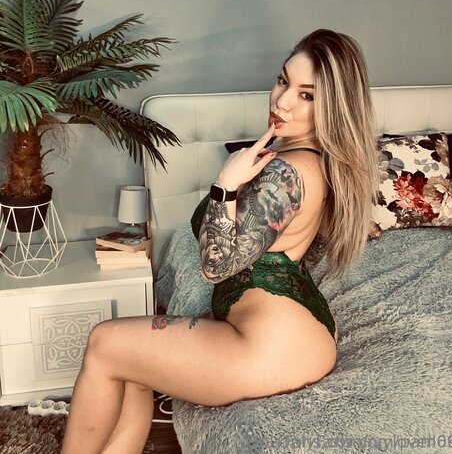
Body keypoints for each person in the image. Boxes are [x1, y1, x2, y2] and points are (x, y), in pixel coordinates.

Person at [61, 29, 378, 454]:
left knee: (104, 342)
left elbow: (216, 266)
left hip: (271, 348)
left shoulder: (285, 172)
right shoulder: (315, 162)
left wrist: (225, 185)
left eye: (307, 95)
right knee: (133, 366)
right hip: (300, 335)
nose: (282, 101)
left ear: (334, 107)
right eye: (283, 81)